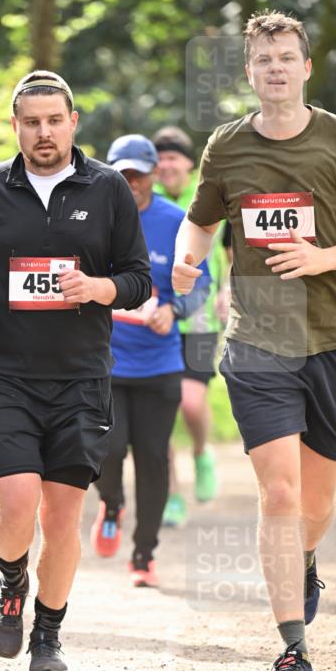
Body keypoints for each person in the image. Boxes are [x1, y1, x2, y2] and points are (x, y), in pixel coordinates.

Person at [172, 10, 336, 671]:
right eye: (263, 61)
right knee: (280, 492)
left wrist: (323, 257)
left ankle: (306, 558)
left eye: (286, 58)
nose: (276, 70)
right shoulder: (226, 147)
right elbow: (200, 223)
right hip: (258, 342)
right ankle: (292, 649)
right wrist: (184, 263)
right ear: (249, 72)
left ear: (304, 66)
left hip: (332, 339)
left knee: (313, 505)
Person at [0, 70, 152, 671]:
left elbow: (137, 279)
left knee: (62, 518)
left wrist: (97, 286)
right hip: (7, 374)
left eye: (54, 120)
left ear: (73, 123)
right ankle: (11, 588)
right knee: (13, 504)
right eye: (31, 122)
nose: (43, 132)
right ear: (15, 126)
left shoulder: (108, 188)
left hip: (82, 379)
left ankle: (49, 636)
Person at [90, 134, 210, 586]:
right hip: (107, 361)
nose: (131, 183)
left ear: (153, 175)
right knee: (107, 446)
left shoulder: (176, 221)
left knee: (153, 459)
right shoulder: (97, 219)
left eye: (138, 175)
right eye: (123, 175)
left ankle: (144, 555)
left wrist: (172, 309)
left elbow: (200, 282)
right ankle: (112, 505)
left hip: (160, 365)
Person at [153, 125, 228, 527]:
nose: (166, 165)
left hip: (200, 316)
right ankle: (171, 496)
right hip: (158, 318)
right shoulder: (145, 199)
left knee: (192, 402)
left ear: (188, 163)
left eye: (172, 158)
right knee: (161, 412)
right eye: (159, 158)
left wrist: (228, 289)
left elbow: (232, 250)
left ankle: (201, 452)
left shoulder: (209, 194)